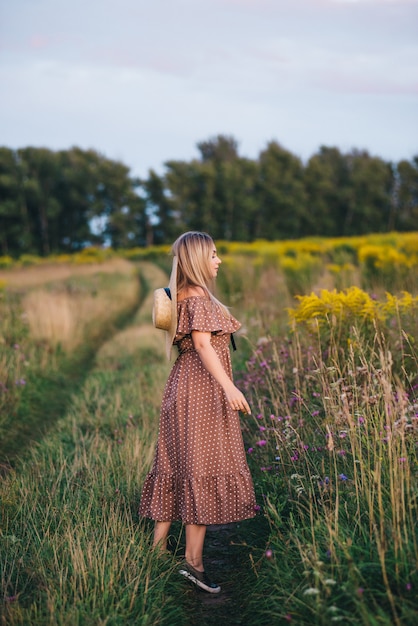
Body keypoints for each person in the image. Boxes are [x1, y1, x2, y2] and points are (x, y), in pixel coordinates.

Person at [139, 231, 256, 594]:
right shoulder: (199, 296)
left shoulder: (181, 294)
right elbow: (204, 344)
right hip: (202, 390)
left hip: (182, 387)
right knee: (200, 467)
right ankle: (193, 563)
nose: (219, 261)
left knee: (176, 464)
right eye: (215, 255)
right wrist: (229, 387)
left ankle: (155, 556)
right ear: (197, 259)